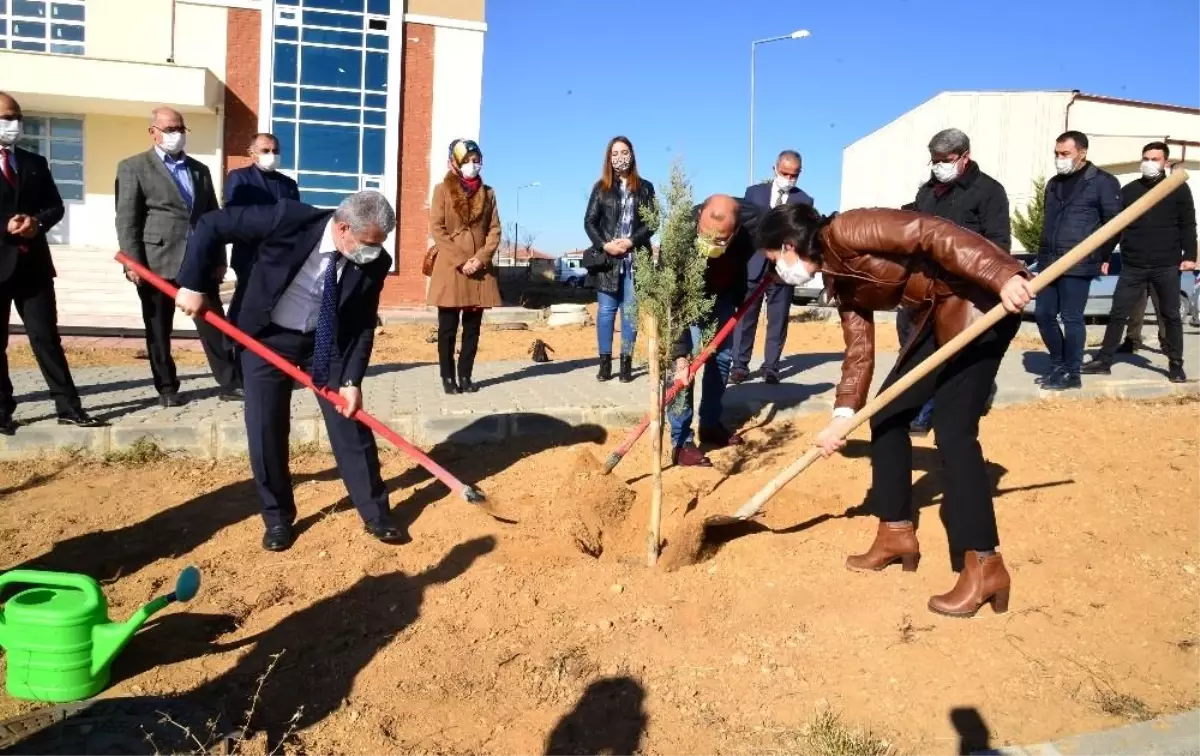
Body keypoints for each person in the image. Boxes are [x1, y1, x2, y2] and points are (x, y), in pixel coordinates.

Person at [756, 202, 1034, 618]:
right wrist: (843, 416)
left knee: (954, 430)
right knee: (886, 415)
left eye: (776, 260)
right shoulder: (837, 276)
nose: (779, 270)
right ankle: (896, 533)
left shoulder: (849, 229)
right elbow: (859, 350)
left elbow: (930, 231)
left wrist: (1001, 273)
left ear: (789, 245)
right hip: (939, 314)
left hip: (978, 303)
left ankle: (986, 566)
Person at [173, 191, 403, 551]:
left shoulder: (374, 261)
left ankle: (376, 512)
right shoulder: (287, 219)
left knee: (349, 422)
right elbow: (212, 225)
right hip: (266, 338)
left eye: (379, 244)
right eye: (367, 243)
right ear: (343, 228)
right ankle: (277, 518)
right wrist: (193, 283)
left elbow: (361, 324)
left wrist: (352, 380)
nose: (373, 252)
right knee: (265, 428)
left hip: (324, 341)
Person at [115, 106, 241, 406]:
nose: (176, 134)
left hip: (199, 262)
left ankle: (230, 382)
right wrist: (132, 261)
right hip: (156, 261)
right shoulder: (133, 167)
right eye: (170, 129)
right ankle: (167, 388)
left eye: (180, 129)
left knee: (213, 324)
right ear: (153, 132)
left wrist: (220, 258)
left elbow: (213, 219)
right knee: (158, 329)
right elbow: (127, 218)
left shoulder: (200, 170)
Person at [0, 92, 101, 433]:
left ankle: (68, 406)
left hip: (34, 267)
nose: (12, 124)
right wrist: (5, 225)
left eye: (15, 117)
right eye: (5, 117)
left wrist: (36, 224)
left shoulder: (33, 162)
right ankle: (2, 411)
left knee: (46, 338)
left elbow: (55, 206)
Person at [902, 128, 1012, 435]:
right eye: (933, 160)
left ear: (965, 157)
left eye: (944, 160)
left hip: (965, 290)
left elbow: (998, 244)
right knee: (914, 346)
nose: (938, 166)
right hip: (924, 288)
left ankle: (931, 411)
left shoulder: (989, 191)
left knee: (950, 351)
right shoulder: (927, 191)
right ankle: (935, 399)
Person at [1082, 142, 1196, 383]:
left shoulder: (1177, 189)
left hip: (1166, 264)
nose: (1149, 163)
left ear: (1166, 162)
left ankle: (1176, 364)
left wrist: (1190, 256)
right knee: (1118, 312)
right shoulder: (1130, 190)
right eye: (1146, 158)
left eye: (1155, 159)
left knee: (1170, 316)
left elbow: (1188, 224)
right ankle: (1104, 359)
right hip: (1133, 264)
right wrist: (1104, 255)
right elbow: (1116, 226)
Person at [666, 195, 754, 467]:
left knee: (723, 359)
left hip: (723, 297)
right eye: (705, 235)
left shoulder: (749, 227)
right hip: (687, 301)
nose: (711, 243)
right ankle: (680, 442)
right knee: (684, 373)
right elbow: (672, 303)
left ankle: (711, 423)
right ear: (699, 218)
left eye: (720, 240)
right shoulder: (678, 239)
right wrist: (679, 355)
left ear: (735, 231)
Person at [1034, 131, 1122, 391]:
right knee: (1043, 314)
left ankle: (1072, 373)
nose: (1059, 159)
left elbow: (1114, 225)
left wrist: (1100, 255)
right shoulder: (1053, 183)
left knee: (1071, 317)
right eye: (1057, 154)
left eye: (1065, 154)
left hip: (1078, 262)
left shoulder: (1103, 182)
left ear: (1082, 153)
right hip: (1049, 260)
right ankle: (1058, 364)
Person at [730, 149, 814, 386]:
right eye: (784, 173)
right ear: (774, 169)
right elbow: (744, 228)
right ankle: (739, 366)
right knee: (745, 317)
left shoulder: (804, 201)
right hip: (753, 265)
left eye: (793, 175)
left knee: (778, 319)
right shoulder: (753, 193)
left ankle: (771, 367)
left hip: (783, 272)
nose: (788, 178)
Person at [428, 138, 501, 395]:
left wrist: (480, 258)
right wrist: (461, 260)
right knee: (447, 329)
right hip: (451, 268)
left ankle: (466, 375)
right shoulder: (442, 190)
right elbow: (437, 229)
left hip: (479, 270)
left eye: (476, 160)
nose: (473, 165)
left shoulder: (489, 193)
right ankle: (447, 377)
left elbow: (494, 230)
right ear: (453, 163)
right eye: (467, 161)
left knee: (472, 328)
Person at [583, 136, 656, 383]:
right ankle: (605, 362)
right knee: (605, 312)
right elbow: (589, 221)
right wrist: (606, 245)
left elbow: (652, 222)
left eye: (623, 152)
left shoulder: (645, 187)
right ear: (608, 158)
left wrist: (631, 241)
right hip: (608, 260)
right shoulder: (601, 187)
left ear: (632, 155)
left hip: (635, 259)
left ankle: (626, 362)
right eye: (614, 154)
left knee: (630, 312)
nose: (619, 158)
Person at [224, 133, 300, 320]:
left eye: (275, 151)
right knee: (245, 304)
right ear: (252, 153)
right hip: (250, 255)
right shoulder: (239, 178)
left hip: (280, 256)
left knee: (273, 306)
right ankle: (234, 342)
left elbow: (297, 218)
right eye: (265, 151)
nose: (271, 155)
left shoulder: (288, 185)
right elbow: (236, 216)